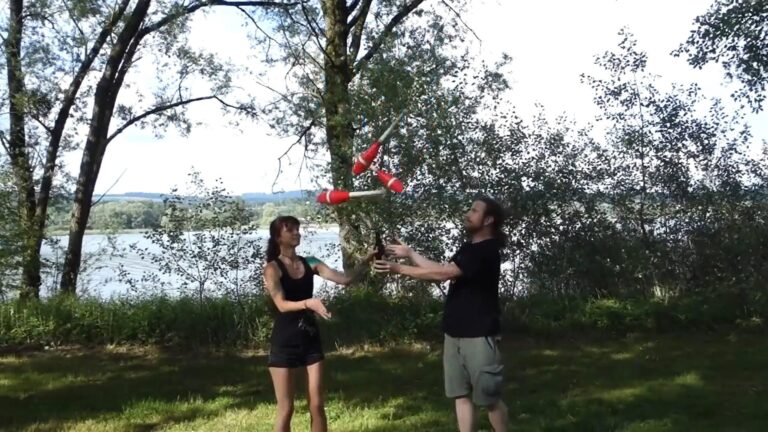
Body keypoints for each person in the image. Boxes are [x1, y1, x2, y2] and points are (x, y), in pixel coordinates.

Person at [373, 196, 509, 432]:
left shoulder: (487, 250)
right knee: (460, 394)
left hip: (479, 334)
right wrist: (410, 253)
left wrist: (398, 268)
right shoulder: (469, 248)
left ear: (488, 220)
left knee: (489, 398)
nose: (468, 214)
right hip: (454, 332)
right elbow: (441, 269)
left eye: (474, 211)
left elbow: (444, 274)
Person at [263, 215, 373, 432]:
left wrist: (366, 262)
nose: (297, 233)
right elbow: (282, 305)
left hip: (310, 339)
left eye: (298, 229)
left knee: (317, 404)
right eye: (290, 230)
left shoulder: (311, 262)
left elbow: (345, 279)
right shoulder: (273, 268)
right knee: (286, 409)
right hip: (284, 342)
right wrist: (308, 303)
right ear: (278, 237)